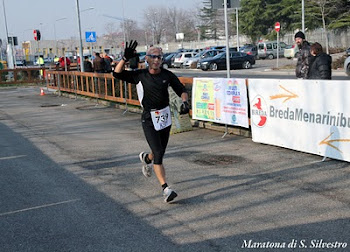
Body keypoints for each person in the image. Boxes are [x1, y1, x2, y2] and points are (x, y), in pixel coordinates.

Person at [113, 40, 190, 203]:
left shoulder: (167, 75)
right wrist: (124, 59)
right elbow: (117, 74)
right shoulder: (140, 75)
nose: (157, 60)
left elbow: (181, 89)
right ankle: (166, 189)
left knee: (158, 151)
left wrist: (185, 102)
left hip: (165, 117)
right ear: (147, 59)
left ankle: (147, 159)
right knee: (160, 153)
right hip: (149, 118)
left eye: (159, 57)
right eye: (153, 57)